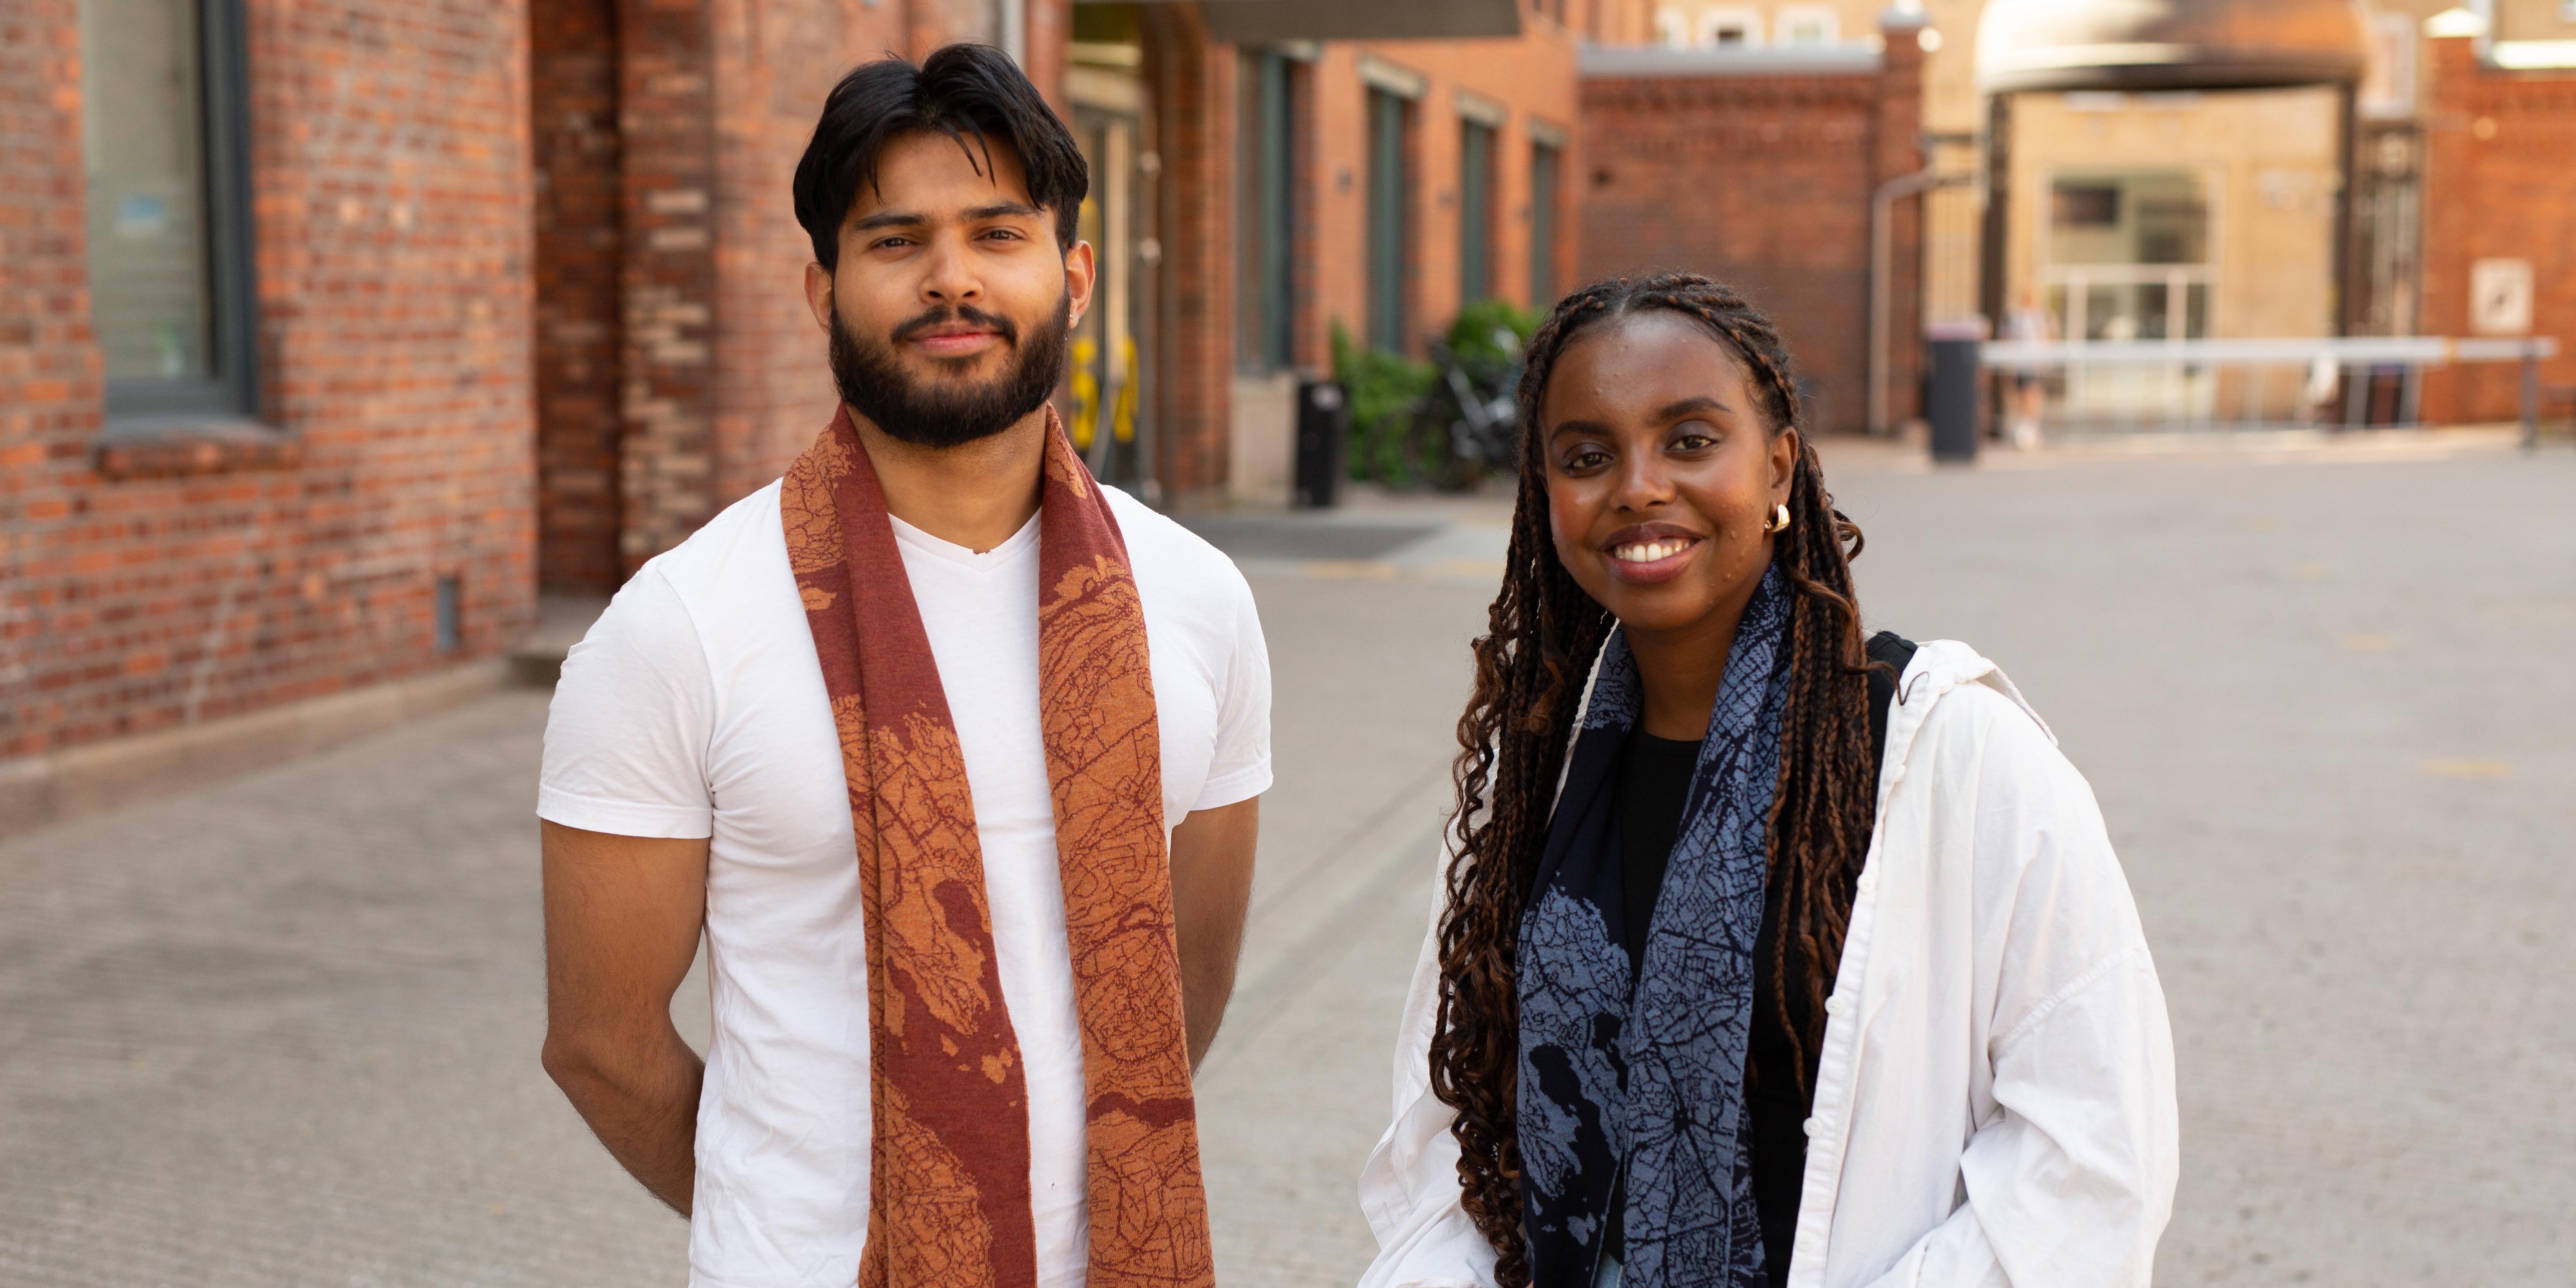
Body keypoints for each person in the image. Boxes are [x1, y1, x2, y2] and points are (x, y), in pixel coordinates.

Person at [535, 45, 1269, 1288]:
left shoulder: (1197, 602)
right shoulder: (683, 625)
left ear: (1074, 276)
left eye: (997, 234)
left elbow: (1182, 990)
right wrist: (775, 1219)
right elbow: (601, 1045)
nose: (951, 281)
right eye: (895, 242)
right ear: (820, 292)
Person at [1356, 275, 2175, 1288]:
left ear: (1779, 463)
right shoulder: (1533, 780)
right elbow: (1445, 1140)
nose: (1639, 486)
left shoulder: (1951, 755)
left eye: (1691, 440)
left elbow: (2091, 1160)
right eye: (1586, 456)